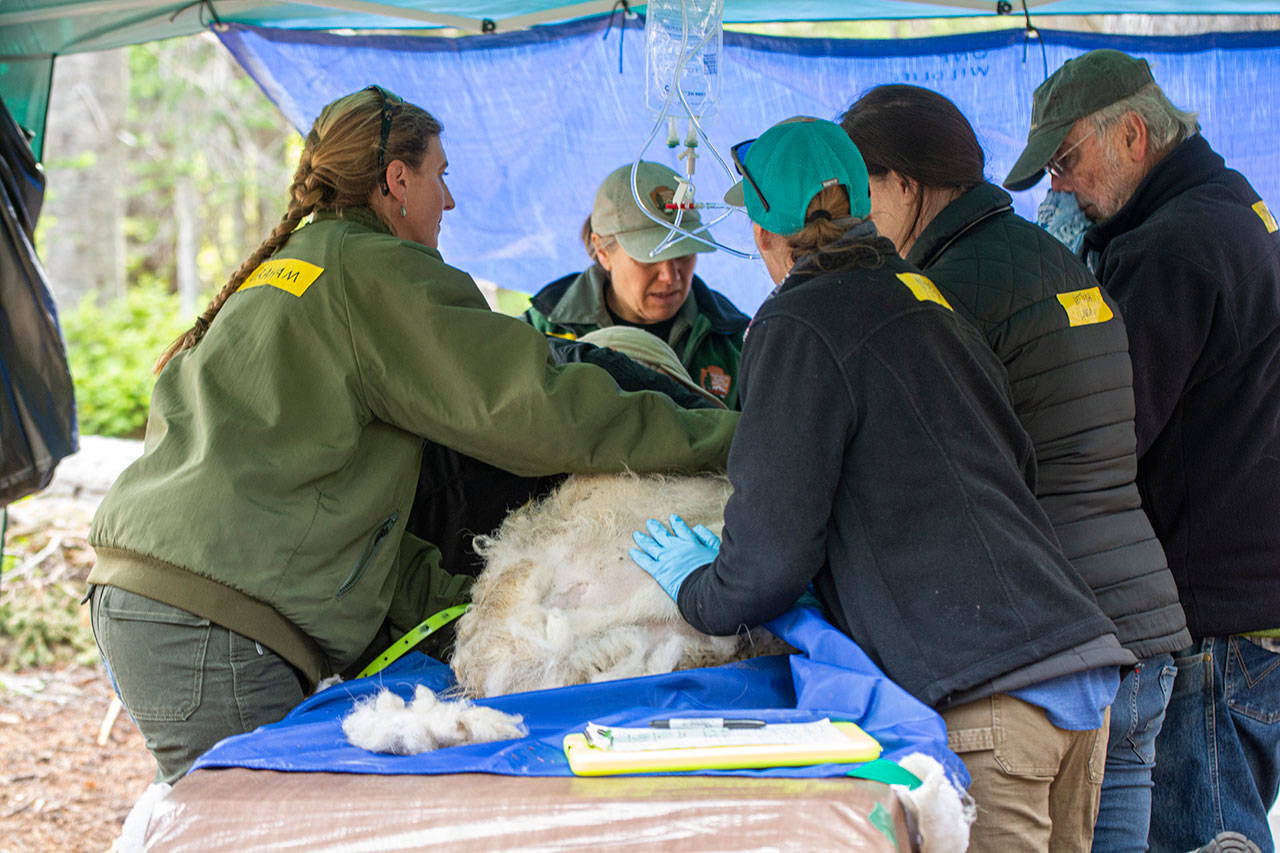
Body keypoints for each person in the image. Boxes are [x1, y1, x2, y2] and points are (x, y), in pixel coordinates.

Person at [85, 86, 737, 785]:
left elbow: (347, 531)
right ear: (398, 180)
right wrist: (727, 440)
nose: (449, 202)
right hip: (213, 621)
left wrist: (497, 601)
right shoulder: (372, 268)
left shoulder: (293, 265)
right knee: (265, 826)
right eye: (442, 175)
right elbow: (534, 405)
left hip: (147, 596)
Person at [628, 117, 1134, 851]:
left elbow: (769, 556)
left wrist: (702, 589)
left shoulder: (797, 320)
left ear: (768, 233)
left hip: (989, 698)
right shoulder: (926, 297)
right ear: (863, 202)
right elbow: (1014, 466)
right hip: (1078, 677)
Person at [840, 84, 1189, 853]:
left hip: (1047, 642)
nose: (854, 217)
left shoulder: (945, 295)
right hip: (1136, 620)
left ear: (906, 182)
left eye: (861, 189)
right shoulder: (1047, 258)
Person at [1004, 48, 1280, 853]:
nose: (1059, 188)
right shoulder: (1236, 207)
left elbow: (1104, 432)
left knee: (1204, 837)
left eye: (1065, 162)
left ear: (1131, 134)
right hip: (1248, 606)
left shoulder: (1169, 249)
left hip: (1205, 620)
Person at [522, 161, 749, 408]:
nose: (671, 277)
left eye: (684, 254)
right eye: (650, 257)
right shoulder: (538, 333)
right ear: (602, 251)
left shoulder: (734, 344)